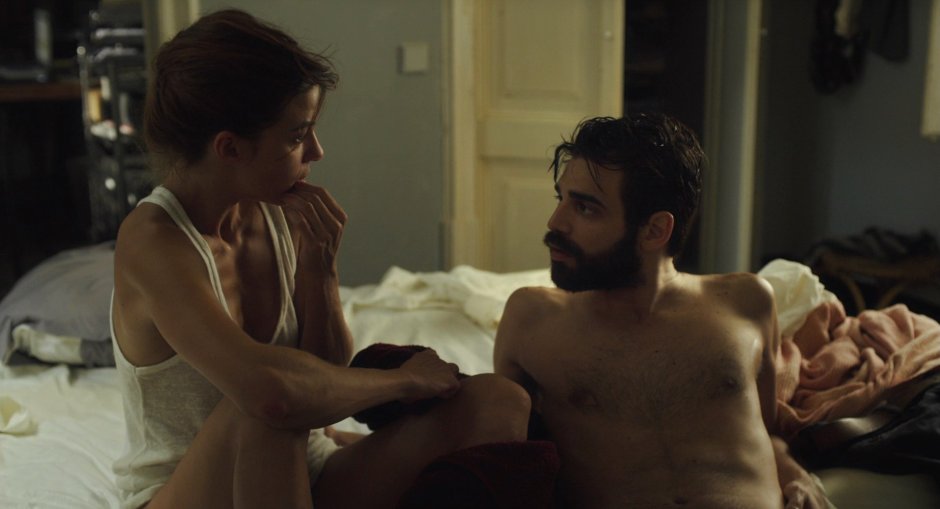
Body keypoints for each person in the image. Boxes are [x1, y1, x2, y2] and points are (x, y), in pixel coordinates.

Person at [110, 9, 530, 509]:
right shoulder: (153, 240)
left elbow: (324, 374)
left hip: (303, 469)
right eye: (296, 136)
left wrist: (320, 269)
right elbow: (272, 396)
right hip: (188, 495)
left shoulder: (273, 210)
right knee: (261, 408)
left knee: (497, 401)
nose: (316, 151)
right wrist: (401, 381)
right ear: (229, 148)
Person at [493, 114, 831, 509]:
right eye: (561, 198)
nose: (556, 222)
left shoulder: (747, 301)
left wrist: (795, 473)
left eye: (585, 208)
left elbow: (765, 430)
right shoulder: (532, 320)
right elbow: (500, 462)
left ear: (655, 231)